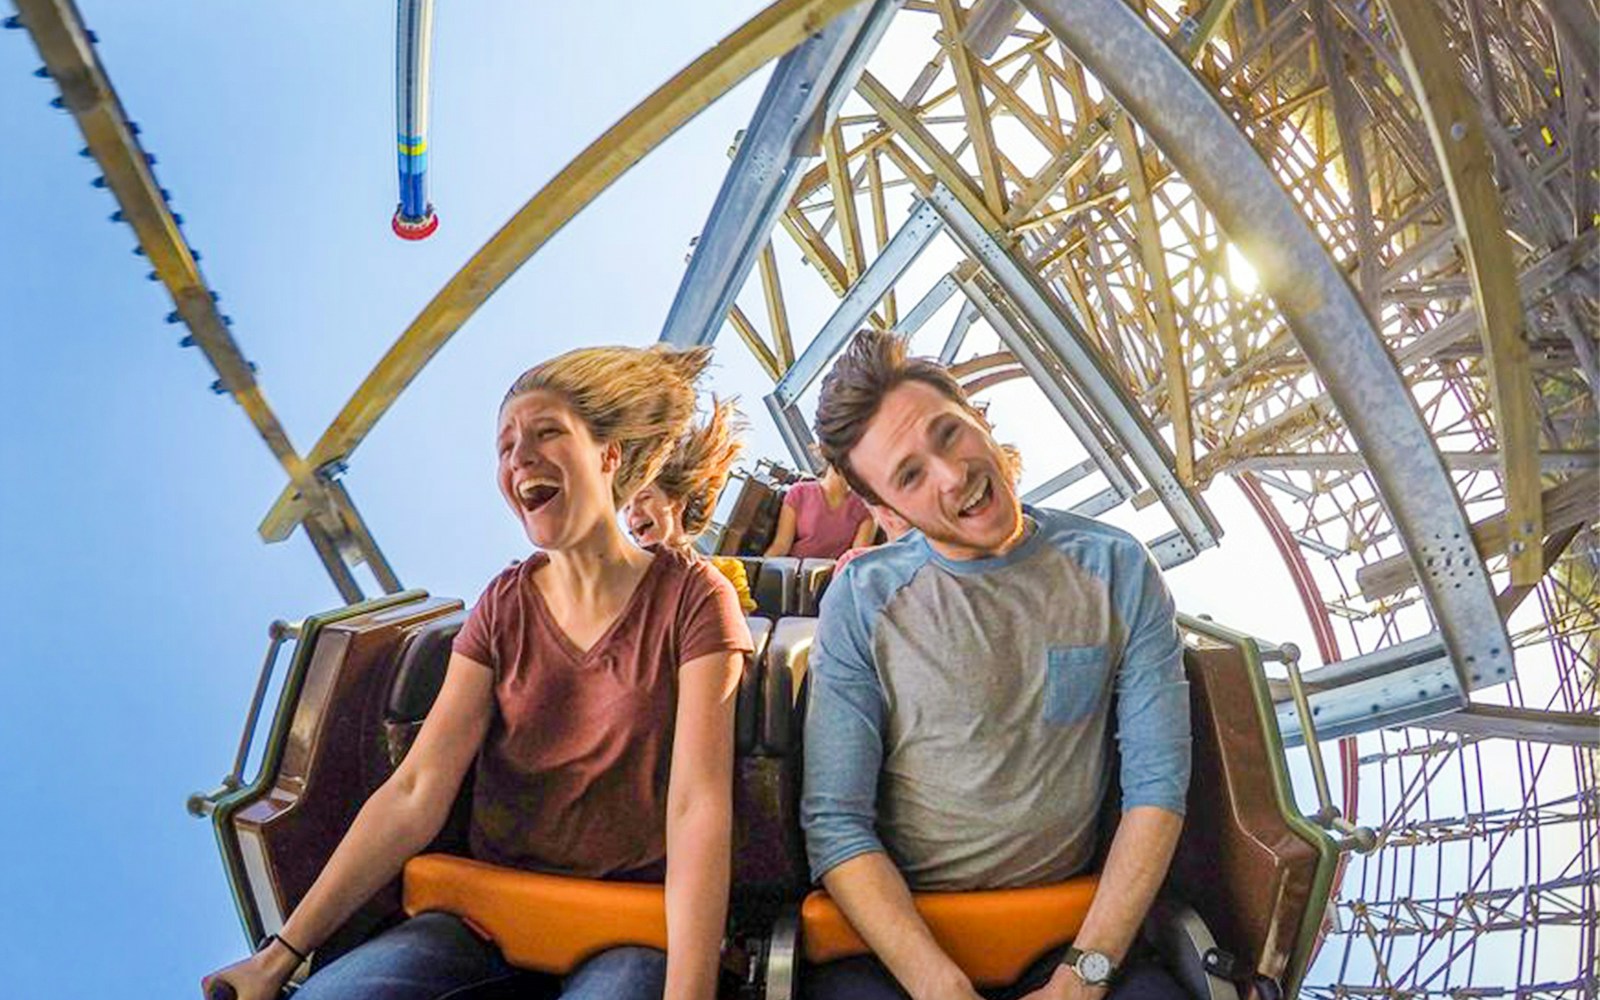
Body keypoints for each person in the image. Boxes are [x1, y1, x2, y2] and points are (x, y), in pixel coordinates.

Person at [201, 345, 752, 1000]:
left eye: (548, 433)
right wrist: (281, 954)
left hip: (626, 927)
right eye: (506, 445)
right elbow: (416, 790)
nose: (520, 457)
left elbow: (698, 806)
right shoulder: (503, 604)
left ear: (608, 458)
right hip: (485, 917)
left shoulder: (693, 596)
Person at [801, 330, 1190, 1000]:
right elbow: (835, 821)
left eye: (949, 435)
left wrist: (1085, 972)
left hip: (1067, 933)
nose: (953, 476)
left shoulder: (1117, 566)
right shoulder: (863, 600)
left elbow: (1156, 784)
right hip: (904, 945)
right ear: (889, 510)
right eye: (911, 475)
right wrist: (935, 984)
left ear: (979, 417)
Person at [626, 397, 758, 613]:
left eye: (644, 497)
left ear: (676, 504)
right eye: (626, 506)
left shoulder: (726, 572)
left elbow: (740, 633)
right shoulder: (626, 585)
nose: (633, 514)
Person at [764, 460, 874, 560]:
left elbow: (856, 559)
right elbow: (781, 546)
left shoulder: (864, 508)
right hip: (797, 573)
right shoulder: (798, 493)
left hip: (834, 576)